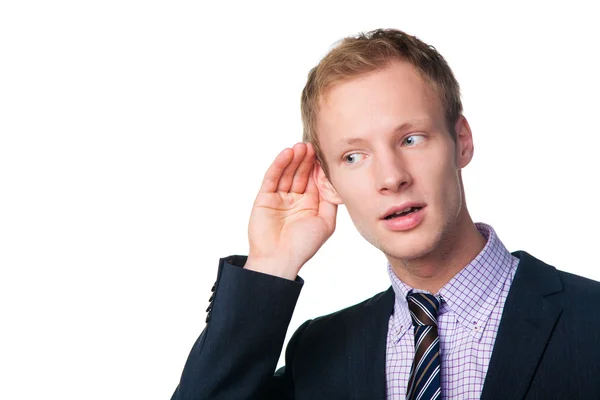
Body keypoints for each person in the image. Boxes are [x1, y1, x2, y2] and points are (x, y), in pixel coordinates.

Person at [170, 28, 600, 400]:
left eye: (411, 139)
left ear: (461, 141)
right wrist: (270, 265)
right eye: (354, 156)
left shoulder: (590, 320)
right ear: (328, 181)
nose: (391, 178)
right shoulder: (319, 353)